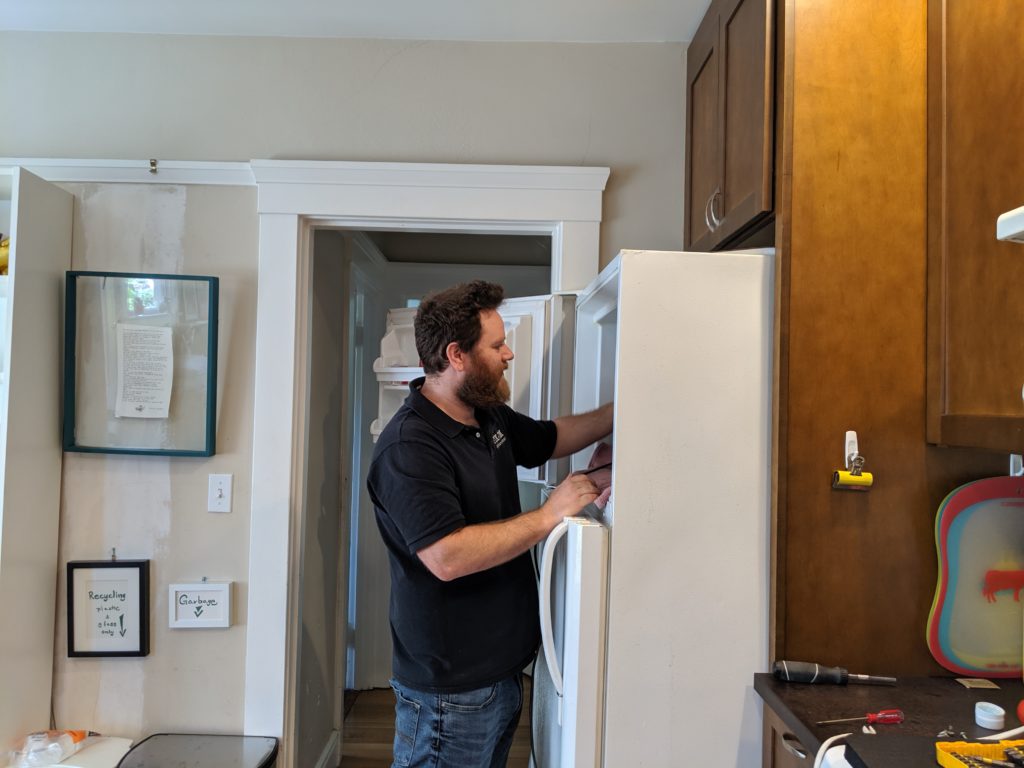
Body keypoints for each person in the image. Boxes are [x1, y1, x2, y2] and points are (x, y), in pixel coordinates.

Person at [367, 280, 613, 768]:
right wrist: (549, 515)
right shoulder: (409, 447)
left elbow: (550, 437)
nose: (509, 353)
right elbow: (447, 556)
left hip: (497, 674)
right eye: (497, 345)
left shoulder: (486, 415)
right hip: (449, 692)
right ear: (457, 355)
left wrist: (621, 413)